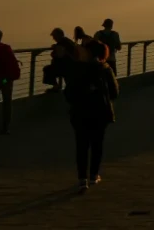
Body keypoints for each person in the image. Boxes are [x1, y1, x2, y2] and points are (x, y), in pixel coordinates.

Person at [65, 39, 119, 191]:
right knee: (97, 144)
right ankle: (94, 175)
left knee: (81, 145)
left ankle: (82, 178)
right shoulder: (105, 69)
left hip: (80, 112)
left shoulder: (77, 69)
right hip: (100, 112)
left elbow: (68, 93)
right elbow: (114, 92)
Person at [45, 28, 74, 92]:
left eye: (54, 36)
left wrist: (55, 49)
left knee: (47, 69)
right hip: (70, 66)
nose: (53, 38)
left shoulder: (62, 43)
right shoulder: (67, 41)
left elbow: (59, 55)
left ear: (59, 35)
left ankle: (56, 86)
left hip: (65, 67)